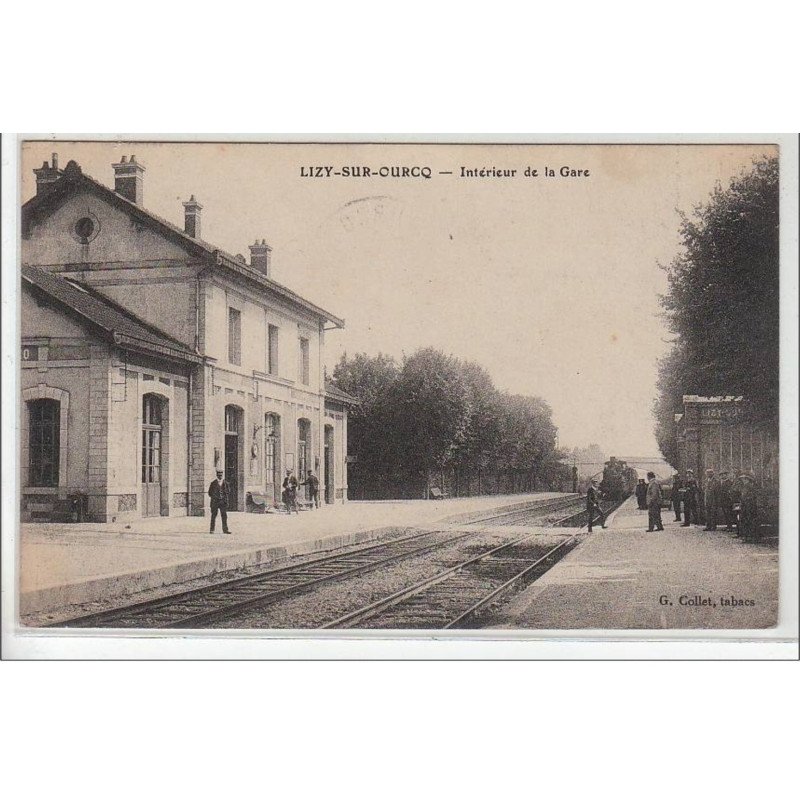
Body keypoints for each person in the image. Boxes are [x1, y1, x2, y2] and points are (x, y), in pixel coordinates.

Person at [208, 469, 232, 534]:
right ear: (216, 475)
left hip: (223, 502)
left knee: (224, 516)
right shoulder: (213, 483)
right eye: (219, 475)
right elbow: (209, 493)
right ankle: (212, 529)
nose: (220, 476)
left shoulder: (226, 483)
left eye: (221, 475)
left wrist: (225, 499)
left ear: (222, 475)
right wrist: (215, 497)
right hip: (215, 502)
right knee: (213, 516)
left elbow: (228, 492)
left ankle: (225, 530)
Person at [737, 472, 760, 542]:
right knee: (745, 521)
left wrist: (746, 502)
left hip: (750, 506)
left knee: (750, 521)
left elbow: (752, 497)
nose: (743, 480)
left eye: (744, 479)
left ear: (748, 479)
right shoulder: (744, 487)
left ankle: (751, 537)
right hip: (744, 506)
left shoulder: (750, 487)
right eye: (742, 479)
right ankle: (746, 537)